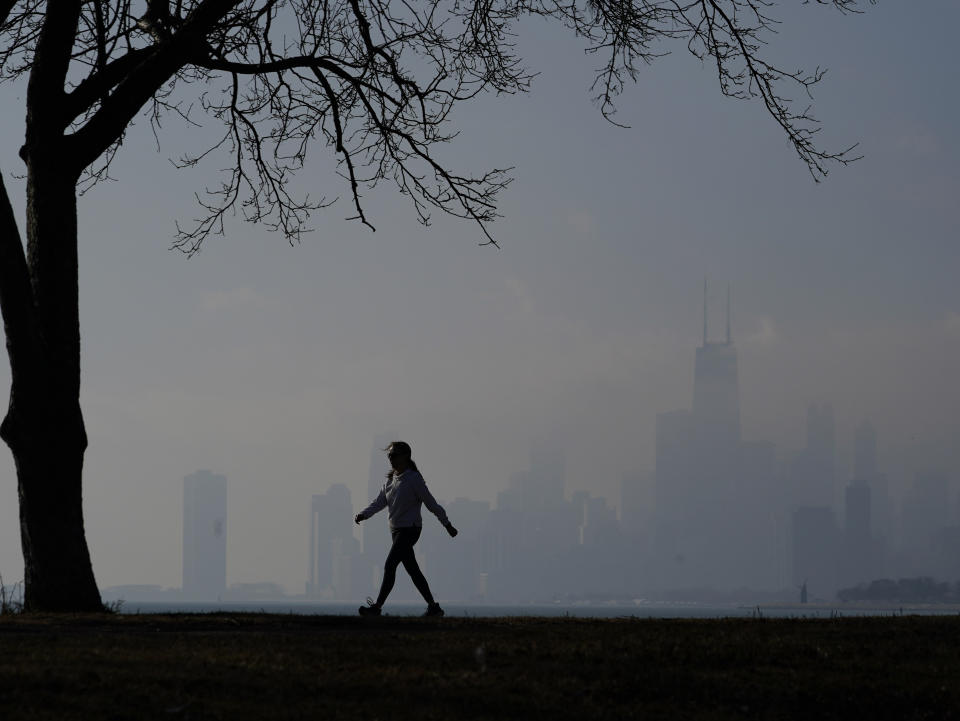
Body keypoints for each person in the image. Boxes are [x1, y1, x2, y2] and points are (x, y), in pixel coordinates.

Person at [354, 441, 458, 617]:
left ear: (405, 457)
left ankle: (377, 608)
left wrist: (447, 524)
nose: (391, 458)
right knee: (413, 570)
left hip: (410, 530)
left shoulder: (413, 479)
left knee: (390, 565)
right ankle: (433, 607)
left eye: (394, 455)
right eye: (389, 455)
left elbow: (431, 503)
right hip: (395, 531)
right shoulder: (390, 480)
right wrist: (363, 515)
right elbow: (379, 502)